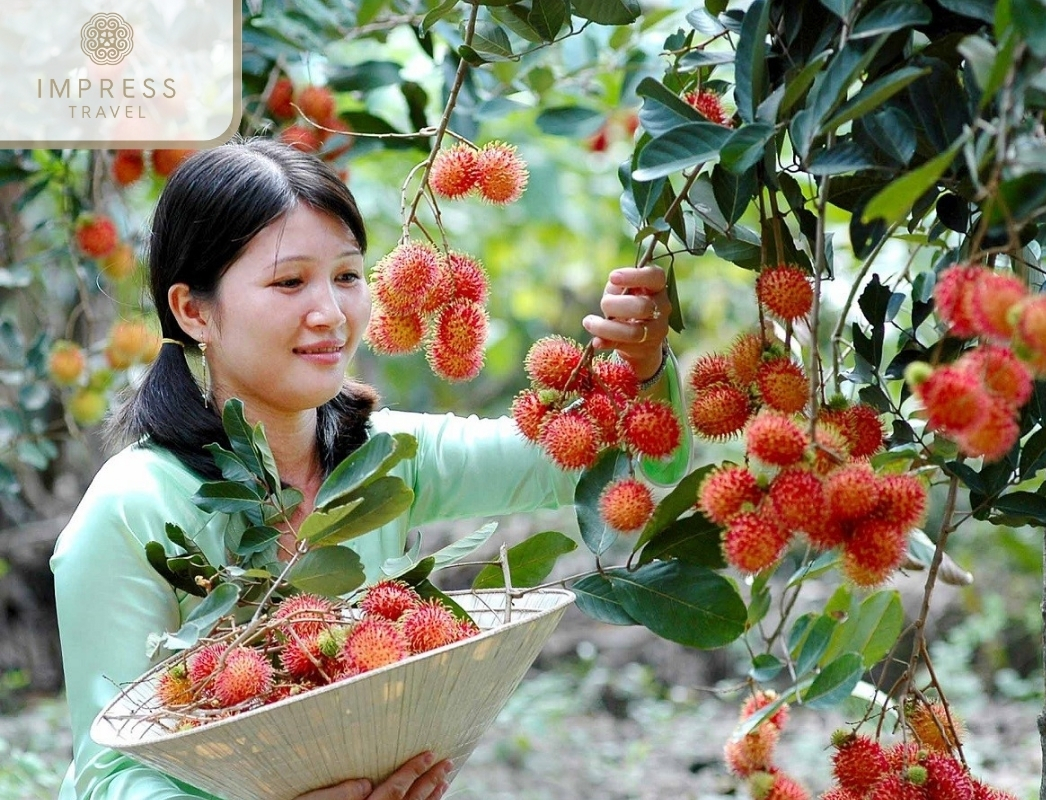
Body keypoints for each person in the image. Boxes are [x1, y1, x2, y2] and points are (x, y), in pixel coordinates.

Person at [50, 138, 684, 800]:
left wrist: (639, 372)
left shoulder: (384, 458)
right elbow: (111, 776)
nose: (330, 312)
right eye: (289, 281)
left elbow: (598, 463)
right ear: (193, 310)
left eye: (348, 276)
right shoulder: (131, 509)